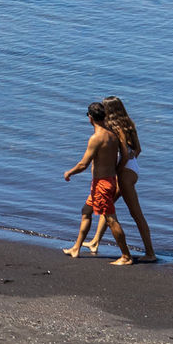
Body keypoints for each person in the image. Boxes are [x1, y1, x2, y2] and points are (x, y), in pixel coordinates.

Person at [83, 95, 156, 262]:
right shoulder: (129, 123)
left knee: (136, 214)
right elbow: (138, 150)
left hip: (124, 172)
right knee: (107, 207)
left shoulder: (115, 127)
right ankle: (95, 242)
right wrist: (130, 160)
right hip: (132, 167)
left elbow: (123, 152)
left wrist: (117, 169)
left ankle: (150, 253)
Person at [62, 101, 134, 264]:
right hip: (106, 182)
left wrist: (69, 172)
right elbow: (125, 155)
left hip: (102, 184)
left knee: (110, 219)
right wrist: (116, 171)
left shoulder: (96, 138)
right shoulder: (112, 135)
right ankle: (76, 248)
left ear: (90, 118)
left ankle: (126, 256)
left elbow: (83, 164)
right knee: (86, 211)